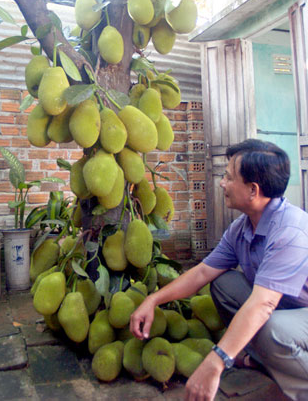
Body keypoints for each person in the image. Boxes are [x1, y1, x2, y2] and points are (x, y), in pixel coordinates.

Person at [130, 139, 308, 401]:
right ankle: (265, 360)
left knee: (272, 329)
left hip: (299, 314)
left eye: (228, 177)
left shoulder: (290, 231)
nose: (222, 183)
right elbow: (202, 273)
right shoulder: (241, 227)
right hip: (284, 306)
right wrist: (153, 300)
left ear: (253, 190)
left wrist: (217, 360)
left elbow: (263, 304)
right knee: (224, 284)